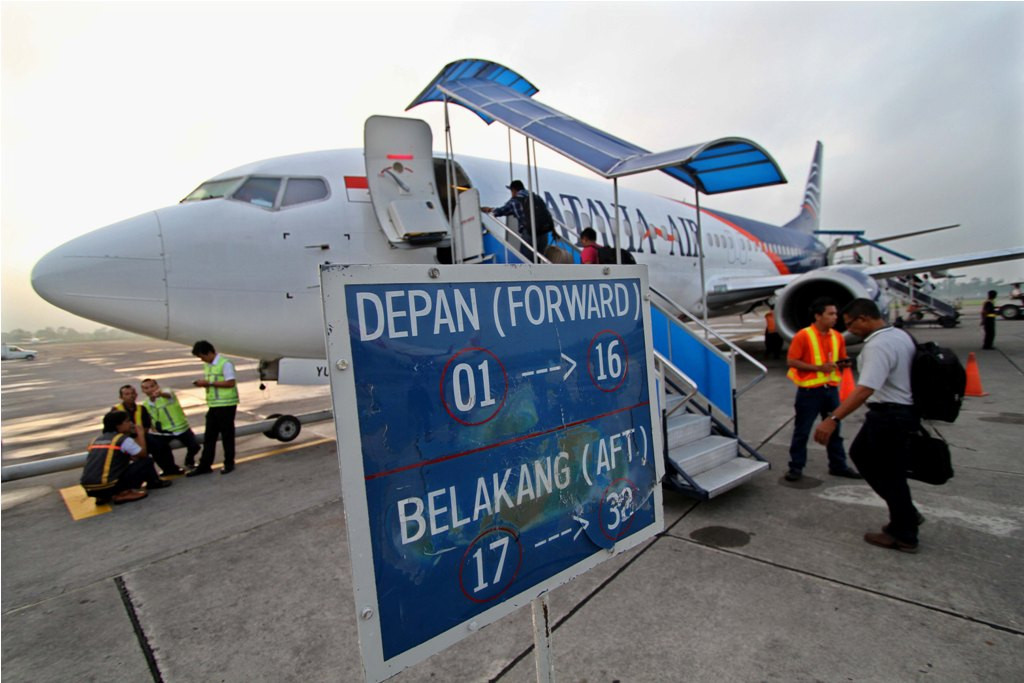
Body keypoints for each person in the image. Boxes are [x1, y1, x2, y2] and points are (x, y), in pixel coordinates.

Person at [814, 298, 921, 553]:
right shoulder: (899, 335)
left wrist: (833, 419)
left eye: (851, 325)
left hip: (889, 416)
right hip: (903, 411)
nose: (850, 331)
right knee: (871, 460)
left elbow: (864, 390)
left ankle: (904, 532)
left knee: (885, 471)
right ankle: (906, 515)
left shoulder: (878, 345)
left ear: (863, 319)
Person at [784, 297, 861, 482]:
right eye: (831, 314)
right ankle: (796, 467)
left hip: (831, 390)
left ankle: (838, 465)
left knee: (834, 428)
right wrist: (819, 368)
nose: (835, 317)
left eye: (836, 314)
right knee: (802, 431)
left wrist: (844, 363)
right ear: (818, 316)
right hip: (810, 392)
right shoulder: (803, 335)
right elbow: (792, 361)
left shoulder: (837, 337)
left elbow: (840, 358)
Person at [80, 410, 171, 504]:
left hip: (89, 488)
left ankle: (101, 497)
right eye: (127, 421)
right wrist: (140, 434)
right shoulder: (122, 440)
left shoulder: (95, 440)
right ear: (118, 425)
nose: (131, 424)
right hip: (110, 486)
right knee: (146, 461)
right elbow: (142, 454)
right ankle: (123, 493)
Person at [188, 340, 239, 476]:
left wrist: (209, 383)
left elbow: (230, 383)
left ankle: (229, 463)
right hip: (214, 405)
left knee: (227, 436)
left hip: (226, 405)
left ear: (210, 352)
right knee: (209, 436)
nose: (202, 360)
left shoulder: (225, 364)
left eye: (202, 356)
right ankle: (205, 464)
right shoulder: (209, 365)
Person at [114, 385, 184, 476]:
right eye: (127, 394)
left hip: (141, 435)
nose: (131, 396)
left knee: (161, 444)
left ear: (136, 394)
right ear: (121, 397)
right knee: (143, 453)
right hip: (124, 438)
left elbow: (146, 426)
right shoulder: (116, 410)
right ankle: (151, 477)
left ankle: (169, 469)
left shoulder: (141, 408)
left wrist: (140, 437)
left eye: (133, 393)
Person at [482, 180, 554, 261]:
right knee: (540, 260)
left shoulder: (515, 201)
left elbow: (500, 211)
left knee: (526, 260)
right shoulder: (535, 197)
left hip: (529, 234)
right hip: (544, 233)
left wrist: (489, 209)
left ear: (513, 190)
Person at [141, 378, 202, 471]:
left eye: (152, 386)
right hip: (164, 432)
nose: (150, 389)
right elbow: (149, 418)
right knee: (160, 450)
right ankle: (170, 469)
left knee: (194, 447)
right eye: (146, 388)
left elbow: (168, 395)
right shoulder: (146, 404)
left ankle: (189, 461)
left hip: (181, 428)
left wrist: (160, 394)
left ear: (157, 386)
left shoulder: (166, 393)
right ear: (143, 391)